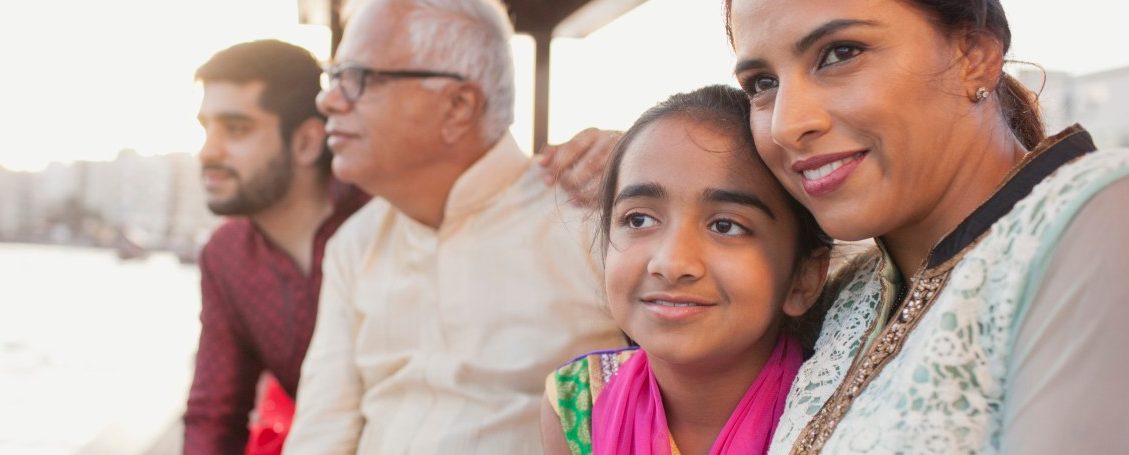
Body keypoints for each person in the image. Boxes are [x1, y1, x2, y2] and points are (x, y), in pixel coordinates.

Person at [722, 0, 1129, 453]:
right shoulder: (843, 296)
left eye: (840, 53)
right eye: (762, 84)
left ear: (975, 56)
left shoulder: (1099, 215)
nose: (787, 125)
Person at [282, 0, 626, 453]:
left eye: (358, 78)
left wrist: (646, 172)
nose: (327, 99)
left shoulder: (589, 217)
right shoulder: (355, 243)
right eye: (334, 77)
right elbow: (321, 432)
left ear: (459, 105)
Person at [541, 85, 832, 455]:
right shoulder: (578, 404)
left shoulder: (841, 409)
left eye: (725, 226)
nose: (671, 263)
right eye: (640, 219)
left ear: (803, 279)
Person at [185, 39, 369, 455]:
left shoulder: (383, 218)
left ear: (307, 142)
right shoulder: (225, 256)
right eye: (205, 129)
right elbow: (215, 413)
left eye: (236, 129)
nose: (208, 152)